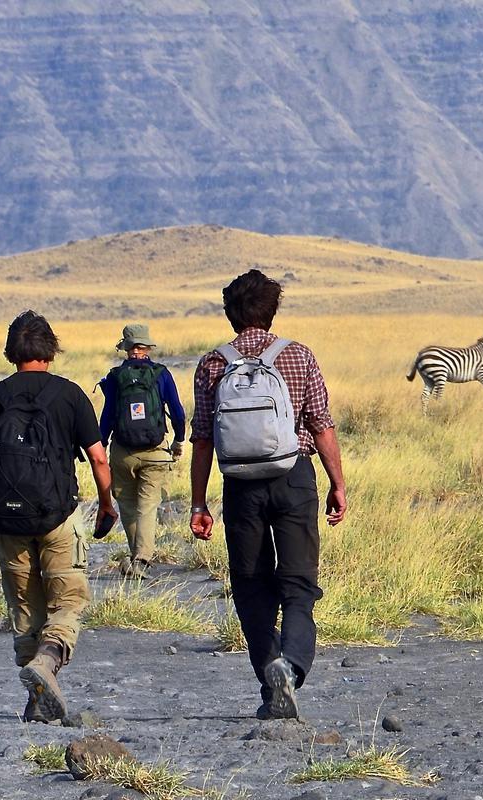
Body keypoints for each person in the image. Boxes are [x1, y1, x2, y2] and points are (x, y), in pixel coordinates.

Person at [189, 270, 348, 721]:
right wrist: (337, 483)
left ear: (230, 313)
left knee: (251, 586)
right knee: (299, 584)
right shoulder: (298, 356)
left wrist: (199, 503)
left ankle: (269, 679)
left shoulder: (211, 364)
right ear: (273, 310)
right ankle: (292, 669)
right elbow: (321, 425)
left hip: (240, 484)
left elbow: (202, 438)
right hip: (294, 476)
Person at [0, 311, 117, 723]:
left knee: (24, 608)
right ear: (50, 348)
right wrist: (108, 503)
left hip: (6, 522)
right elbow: (97, 456)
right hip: (57, 517)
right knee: (70, 601)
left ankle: (35, 702)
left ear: (12, 351)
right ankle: (48, 660)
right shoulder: (70, 394)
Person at [98, 324, 187, 578]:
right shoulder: (161, 374)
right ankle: (142, 559)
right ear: (147, 347)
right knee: (147, 506)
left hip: (122, 452)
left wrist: (101, 446)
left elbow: (107, 416)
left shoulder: (115, 377)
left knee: (127, 504)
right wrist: (179, 441)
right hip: (155, 450)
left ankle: (136, 556)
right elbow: (178, 412)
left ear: (126, 349)